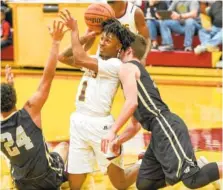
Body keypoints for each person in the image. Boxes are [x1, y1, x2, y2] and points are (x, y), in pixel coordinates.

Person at [102, 34, 222, 190]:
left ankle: (198, 167)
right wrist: (118, 141)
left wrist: (112, 131)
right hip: (159, 131)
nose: (117, 52)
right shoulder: (134, 76)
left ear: (129, 50)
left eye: (121, 49)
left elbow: (131, 103)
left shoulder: (128, 67)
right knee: (145, 184)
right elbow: (135, 126)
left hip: (165, 125)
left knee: (192, 180)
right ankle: (194, 165)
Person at [59, 9, 141, 190]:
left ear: (118, 47)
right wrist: (87, 36)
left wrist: (74, 30)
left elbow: (79, 57)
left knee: (120, 183)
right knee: (75, 185)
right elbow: (63, 57)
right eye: (102, 38)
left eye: (107, 40)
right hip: (78, 122)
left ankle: (145, 163)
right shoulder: (96, 59)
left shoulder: (115, 65)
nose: (102, 42)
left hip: (101, 127)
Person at [0, 21, 69, 190]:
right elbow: (48, 76)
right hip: (47, 180)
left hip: (21, 184)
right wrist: (56, 41)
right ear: (14, 98)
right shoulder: (30, 111)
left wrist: (10, 87)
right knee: (63, 147)